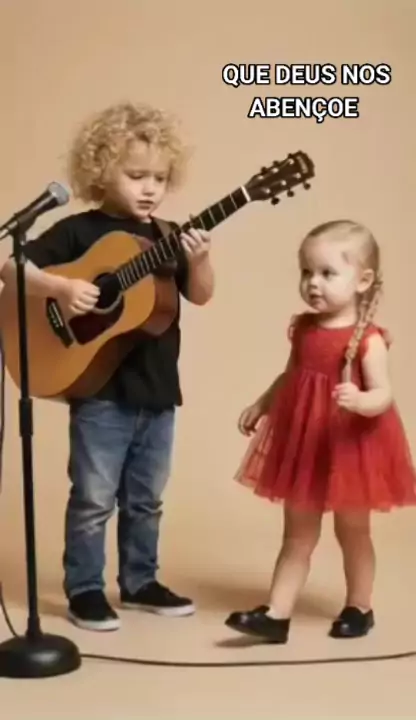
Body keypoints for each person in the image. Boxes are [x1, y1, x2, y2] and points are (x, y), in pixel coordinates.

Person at [0, 102, 215, 632]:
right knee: (94, 498)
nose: (150, 189)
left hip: (158, 391)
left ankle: (140, 582)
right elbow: (11, 265)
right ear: (101, 170)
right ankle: (86, 589)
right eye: (136, 175)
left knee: (147, 499)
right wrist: (60, 287)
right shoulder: (79, 231)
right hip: (100, 392)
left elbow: (201, 294)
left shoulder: (168, 235)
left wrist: (201, 259)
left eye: (159, 178)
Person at [224, 219, 416, 644]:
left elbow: (383, 393)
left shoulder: (368, 340)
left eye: (328, 273)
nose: (313, 282)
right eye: (307, 272)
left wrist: (362, 400)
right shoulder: (305, 329)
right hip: (306, 445)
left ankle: (359, 606)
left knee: (354, 531)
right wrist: (263, 403)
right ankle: (276, 614)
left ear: (362, 280)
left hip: (350, 447)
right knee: (297, 535)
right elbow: (290, 375)